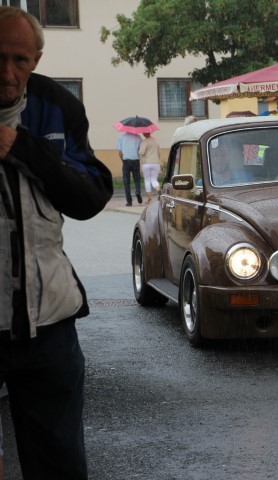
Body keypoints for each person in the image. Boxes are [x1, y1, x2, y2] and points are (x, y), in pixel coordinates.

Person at [0, 7, 113, 479]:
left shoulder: (56, 106)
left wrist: (23, 149)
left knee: (59, 467)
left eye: (20, 60)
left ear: (37, 59)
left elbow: (89, 196)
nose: (7, 72)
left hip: (48, 328)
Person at [117, 130, 142, 206]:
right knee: (137, 179)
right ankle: (137, 192)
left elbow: (120, 152)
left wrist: (123, 160)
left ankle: (129, 201)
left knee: (126, 182)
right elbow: (140, 151)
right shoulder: (138, 137)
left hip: (126, 161)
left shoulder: (121, 138)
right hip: (135, 160)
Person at [139, 131, 161, 203]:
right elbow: (159, 152)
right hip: (156, 163)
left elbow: (141, 152)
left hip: (147, 163)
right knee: (154, 179)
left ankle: (149, 199)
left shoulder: (145, 141)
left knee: (147, 180)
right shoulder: (155, 141)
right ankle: (158, 190)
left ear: (144, 133)